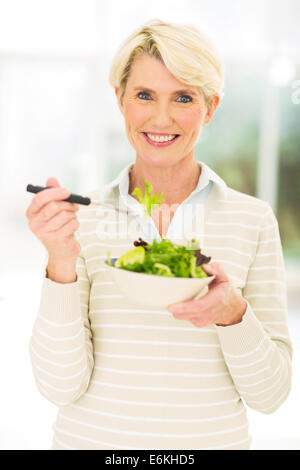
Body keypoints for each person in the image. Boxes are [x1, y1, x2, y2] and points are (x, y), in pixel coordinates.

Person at [26, 19, 292, 450]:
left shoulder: (253, 219)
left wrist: (232, 312)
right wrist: (60, 260)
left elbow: (271, 395)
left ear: (210, 107)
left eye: (183, 97)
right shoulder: (81, 220)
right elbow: (59, 386)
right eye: (144, 95)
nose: (161, 117)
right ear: (121, 101)